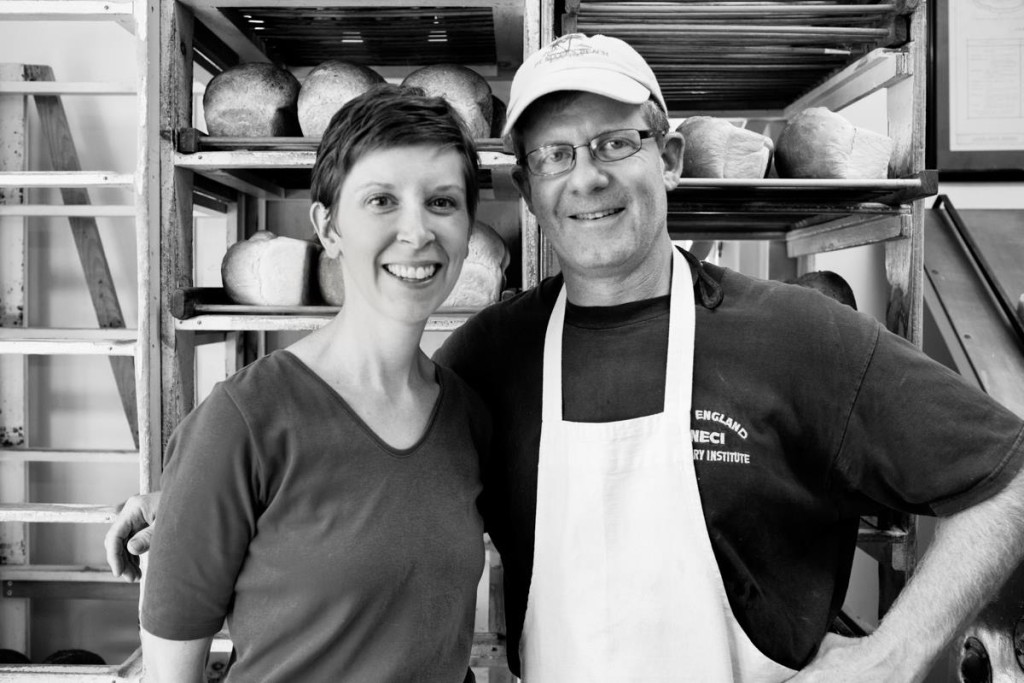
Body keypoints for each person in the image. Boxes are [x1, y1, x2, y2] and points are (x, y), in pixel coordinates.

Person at [108, 34, 1024, 682]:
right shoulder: (492, 355)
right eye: (553, 155)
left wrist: (897, 651)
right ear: (528, 189)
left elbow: (1009, 471)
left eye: (614, 143)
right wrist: (193, 502)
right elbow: (359, 453)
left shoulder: (798, 335)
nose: (585, 175)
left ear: (666, 156)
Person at [130, 84, 489, 682]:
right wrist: (190, 494)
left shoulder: (468, 416)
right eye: (380, 201)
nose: (417, 231)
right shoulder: (245, 419)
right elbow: (170, 671)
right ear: (328, 226)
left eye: (443, 202)